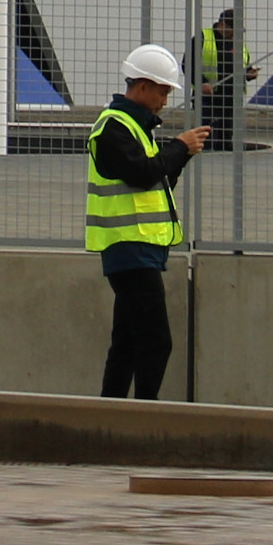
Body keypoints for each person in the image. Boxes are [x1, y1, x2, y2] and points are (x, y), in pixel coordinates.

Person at [88, 43, 216, 399]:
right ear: (141, 86)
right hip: (129, 249)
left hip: (138, 249)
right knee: (156, 341)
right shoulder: (114, 127)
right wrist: (178, 147)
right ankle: (146, 413)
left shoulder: (134, 127)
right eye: (162, 91)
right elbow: (144, 174)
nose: (165, 99)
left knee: (128, 341)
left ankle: (111, 409)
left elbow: (156, 180)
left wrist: (182, 154)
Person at [193, 7, 241, 150]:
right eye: (232, 29)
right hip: (207, 97)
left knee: (225, 140)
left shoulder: (236, 42)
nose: (234, 33)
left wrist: (248, 73)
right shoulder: (203, 38)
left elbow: (241, 64)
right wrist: (201, 83)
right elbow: (188, 64)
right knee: (207, 138)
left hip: (229, 98)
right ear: (223, 24)